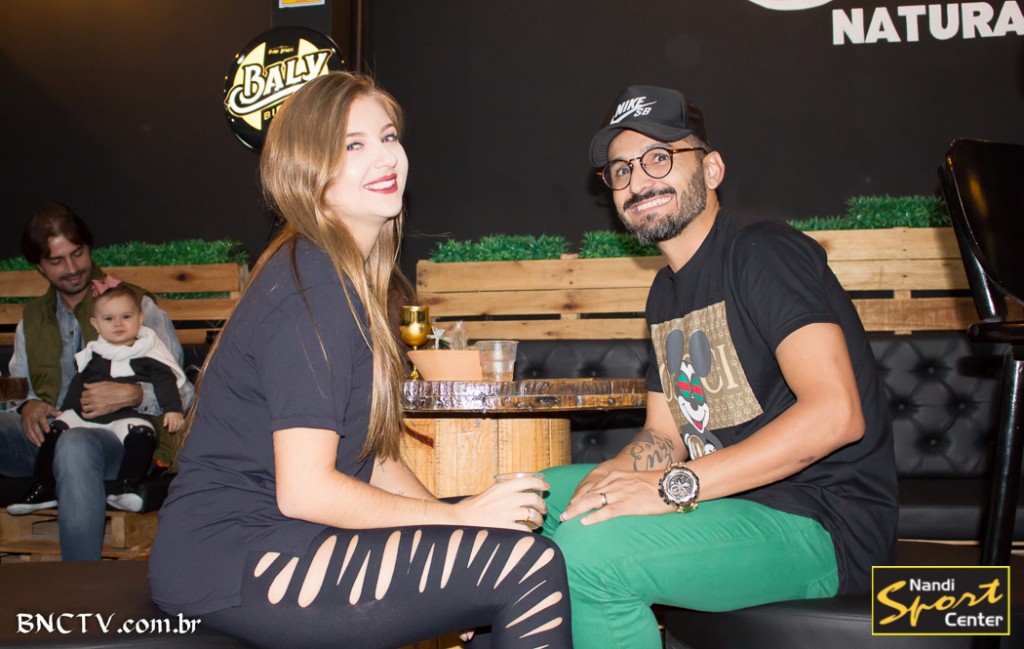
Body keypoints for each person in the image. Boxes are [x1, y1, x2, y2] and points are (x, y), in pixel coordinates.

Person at [148, 72, 572, 649]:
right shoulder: (314, 282)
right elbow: (306, 491)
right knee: (526, 565)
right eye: (353, 145)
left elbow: (373, 459)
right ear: (309, 172)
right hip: (233, 554)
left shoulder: (346, 281)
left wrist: (462, 527)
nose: (385, 156)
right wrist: (457, 521)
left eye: (389, 136)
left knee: (506, 543)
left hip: (280, 536)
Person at [538, 85, 898, 648]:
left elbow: (836, 415)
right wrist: (610, 478)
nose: (638, 181)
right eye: (621, 170)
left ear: (711, 169)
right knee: (531, 505)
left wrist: (668, 488)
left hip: (819, 522)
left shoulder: (762, 251)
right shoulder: (665, 292)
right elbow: (665, 435)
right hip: (725, 502)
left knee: (589, 557)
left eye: (659, 158)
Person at [0, 202, 194, 559]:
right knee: (61, 437)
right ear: (39, 267)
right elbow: (19, 385)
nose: (72, 268)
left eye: (77, 253)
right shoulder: (32, 318)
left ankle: (80, 580)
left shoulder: (135, 307)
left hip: (126, 441)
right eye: (57, 261)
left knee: (75, 445)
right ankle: (51, 479)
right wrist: (28, 406)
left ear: (89, 247)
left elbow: (183, 393)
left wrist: (135, 394)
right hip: (49, 436)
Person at [7, 278, 187, 516]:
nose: (118, 324)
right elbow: (76, 384)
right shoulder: (92, 351)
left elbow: (171, 383)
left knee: (139, 436)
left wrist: (167, 407)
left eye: (126, 317)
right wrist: (57, 409)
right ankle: (43, 485)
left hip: (124, 420)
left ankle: (127, 486)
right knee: (57, 430)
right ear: (96, 323)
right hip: (82, 416)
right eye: (109, 319)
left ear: (140, 318)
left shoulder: (148, 350)